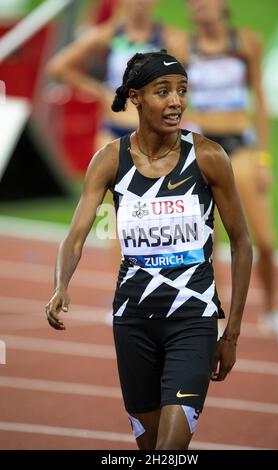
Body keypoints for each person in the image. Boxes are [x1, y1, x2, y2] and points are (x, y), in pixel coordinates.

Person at [45, 50, 252, 450]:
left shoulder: (207, 157)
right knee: (149, 446)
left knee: (170, 451)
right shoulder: (110, 160)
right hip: (133, 319)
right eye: (163, 92)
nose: (176, 101)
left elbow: (242, 244)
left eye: (182, 91)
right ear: (136, 97)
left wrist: (232, 334)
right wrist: (61, 285)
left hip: (193, 318)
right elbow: (75, 235)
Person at [184, 0, 278, 346]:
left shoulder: (245, 43)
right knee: (210, 243)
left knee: (263, 240)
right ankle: (216, 318)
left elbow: (261, 100)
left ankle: (272, 310)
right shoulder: (183, 46)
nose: (197, 5)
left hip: (242, 151)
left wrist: (264, 159)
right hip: (204, 152)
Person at [46, 0, 187, 151]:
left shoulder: (171, 39)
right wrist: (98, 90)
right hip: (113, 130)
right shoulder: (110, 33)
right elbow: (58, 66)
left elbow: (186, 82)